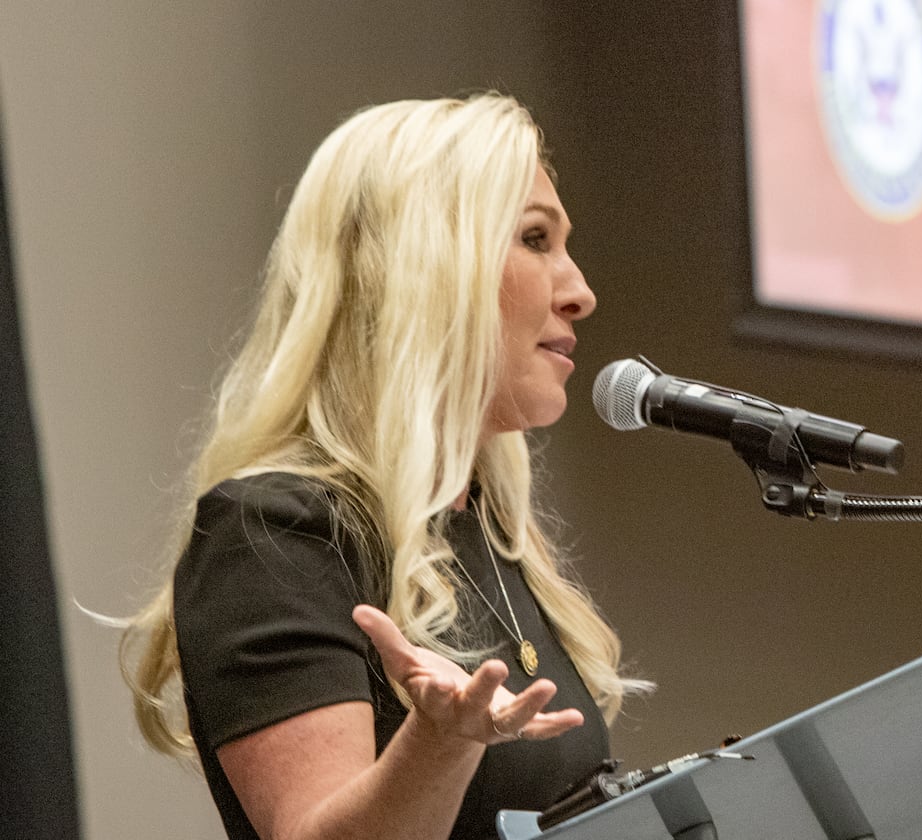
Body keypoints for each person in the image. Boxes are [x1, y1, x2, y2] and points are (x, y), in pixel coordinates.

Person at [121, 93, 650, 840]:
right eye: (535, 239)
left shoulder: (488, 535)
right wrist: (440, 743)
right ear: (423, 267)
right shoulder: (275, 534)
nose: (580, 292)